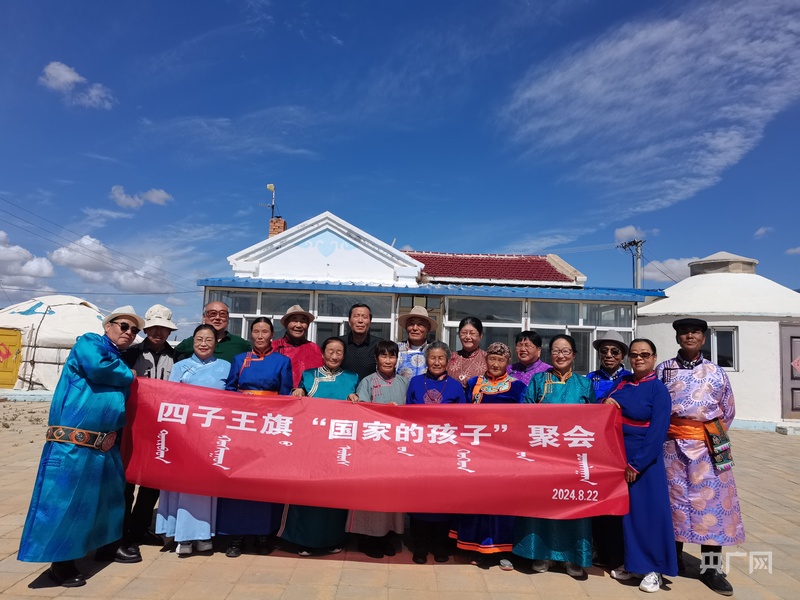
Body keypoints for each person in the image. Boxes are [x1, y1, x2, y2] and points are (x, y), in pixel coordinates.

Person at [18, 306, 144, 588]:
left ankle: (107, 547)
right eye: (124, 326)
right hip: (72, 443)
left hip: (105, 444)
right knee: (66, 503)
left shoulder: (116, 355)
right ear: (108, 325)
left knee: (108, 501)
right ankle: (60, 563)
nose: (129, 332)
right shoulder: (90, 342)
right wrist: (130, 374)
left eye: (134, 330)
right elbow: (98, 369)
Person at [656, 318, 745, 596]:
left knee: (713, 507)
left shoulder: (716, 372)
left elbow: (727, 409)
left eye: (695, 332)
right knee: (673, 503)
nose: (689, 336)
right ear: (677, 338)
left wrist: (705, 436)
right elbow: (656, 406)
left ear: (703, 338)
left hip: (710, 445)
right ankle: (674, 559)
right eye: (684, 332)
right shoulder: (664, 370)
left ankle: (711, 569)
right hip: (671, 446)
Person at [513, 334, 594, 579]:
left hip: (573, 457)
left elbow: (595, 421)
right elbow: (524, 415)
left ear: (574, 355)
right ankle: (541, 554)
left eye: (566, 351)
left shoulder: (584, 384)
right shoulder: (538, 380)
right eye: (556, 350)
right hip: (544, 455)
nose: (561, 355)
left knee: (573, 505)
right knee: (543, 504)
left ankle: (573, 557)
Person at [604, 339, 677, 593]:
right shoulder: (622, 382)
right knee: (628, 515)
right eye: (634, 355)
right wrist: (606, 403)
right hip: (618, 457)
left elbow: (658, 432)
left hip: (644, 461)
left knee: (650, 514)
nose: (638, 359)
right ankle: (634, 564)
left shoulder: (658, 390)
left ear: (654, 358)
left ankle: (654, 568)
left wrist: (637, 464)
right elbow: (606, 405)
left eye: (644, 354)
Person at [219, 317, 292, 558]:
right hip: (242, 426)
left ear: (272, 335)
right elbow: (230, 389)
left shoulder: (282, 361)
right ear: (251, 334)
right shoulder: (240, 359)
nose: (260, 336)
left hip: (268, 427)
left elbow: (286, 396)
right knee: (239, 479)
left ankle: (263, 534)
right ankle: (236, 535)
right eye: (256, 331)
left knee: (264, 479)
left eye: (265, 332)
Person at [156, 324, 231, 557]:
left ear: (216, 343)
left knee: (205, 485)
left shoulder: (226, 366)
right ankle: (183, 535)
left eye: (209, 339)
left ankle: (204, 534)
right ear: (193, 341)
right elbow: (171, 398)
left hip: (212, 435)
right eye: (199, 339)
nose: (204, 344)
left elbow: (231, 400)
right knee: (185, 484)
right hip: (185, 434)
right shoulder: (180, 367)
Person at [279, 337, 358, 555]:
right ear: (322, 353)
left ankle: (334, 539)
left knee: (335, 494)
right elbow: (298, 401)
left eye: (339, 352)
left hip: (338, 444)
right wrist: (298, 392)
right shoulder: (309, 375)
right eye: (330, 351)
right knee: (308, 493)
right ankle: (303, 540)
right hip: (311, 443)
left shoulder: (352, 378)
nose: (334, 356)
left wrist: (355, 398)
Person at [453, 342, 526, 571]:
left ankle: (503, 550)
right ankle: (476, 546)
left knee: (502, 502)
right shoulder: (474, 383)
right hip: (477, 452)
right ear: (486, 360)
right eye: (492, 359)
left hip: (504, 454)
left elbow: (524, 419)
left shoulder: (517, 387)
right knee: (478, 499)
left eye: (500, 360)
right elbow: (463, 416)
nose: (495, 364)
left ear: (507, 362)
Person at [121, 304, 178, 547]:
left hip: (162, 428)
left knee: (152, 481)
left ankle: (140, 528)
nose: (158, 332)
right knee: (127, 480)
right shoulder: (129, 354)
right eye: (154, 327)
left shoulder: (177, 358)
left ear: (169, 332)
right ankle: (121, 530)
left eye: (163, 328)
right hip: (132, 425)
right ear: (146, 329)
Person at [346, 340, 408, 558]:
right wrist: (384, 411)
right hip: (373, 447)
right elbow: (362, 412)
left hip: (396, 448)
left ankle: (386, 536)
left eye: (392, 356)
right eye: (384, 356)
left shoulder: (404, 382)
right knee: (369, 494)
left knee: (391, 494)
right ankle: (367, 539)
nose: (388, 360)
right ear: (376, 358)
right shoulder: (367, 382)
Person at [406, 341, 466, 564]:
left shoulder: (456, 387)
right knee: (419, 499)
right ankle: (420, 547)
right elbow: (407, 415)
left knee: (442, 499)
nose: (437, 362)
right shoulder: (415, 382)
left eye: (441, 358)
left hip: (445, 452)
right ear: (426, 360)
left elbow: (464, 420)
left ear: (448, 361)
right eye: (433, 358)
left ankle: (440, 546)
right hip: (420, 450)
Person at [173, 301, 251, 363]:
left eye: (222, 314)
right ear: (204, 317)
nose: (217, 318)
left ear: (228, 318)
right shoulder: (191, 342)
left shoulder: (241, 344)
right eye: (213, 313)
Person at [272, 304, 324, 388]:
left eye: (303, 321)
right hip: (281, 394)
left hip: (308, 395)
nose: (298, 325)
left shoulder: (315, 349)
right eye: (294, 320)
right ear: (286, 324)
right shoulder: (274, 347)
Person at [339, 302, 383, 381]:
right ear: (349, 321)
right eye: (356, 316)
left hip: (371, 388)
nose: (360, 320)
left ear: (370, 322)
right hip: (343, 388)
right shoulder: (339, 343)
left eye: (365, 317)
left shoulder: (379, 345)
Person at [586, 330, 631, 401]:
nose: (608, 355)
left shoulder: (631, 379)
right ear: (599, 355)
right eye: (604, 351)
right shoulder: (590, 378)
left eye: (615, 352)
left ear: (622, 357)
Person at [397, 306, 436, 379]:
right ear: (406, 327)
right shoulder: (396, 349)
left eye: (420, 325)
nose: (415, 328)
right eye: (411, 324)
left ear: (428, 328)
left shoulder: (434, 350)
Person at [448, 316, 487, 389]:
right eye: (464, 333)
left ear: (481, 335)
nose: (468, 337)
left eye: (472, 333)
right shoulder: (450, 358)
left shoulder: (487, 359)